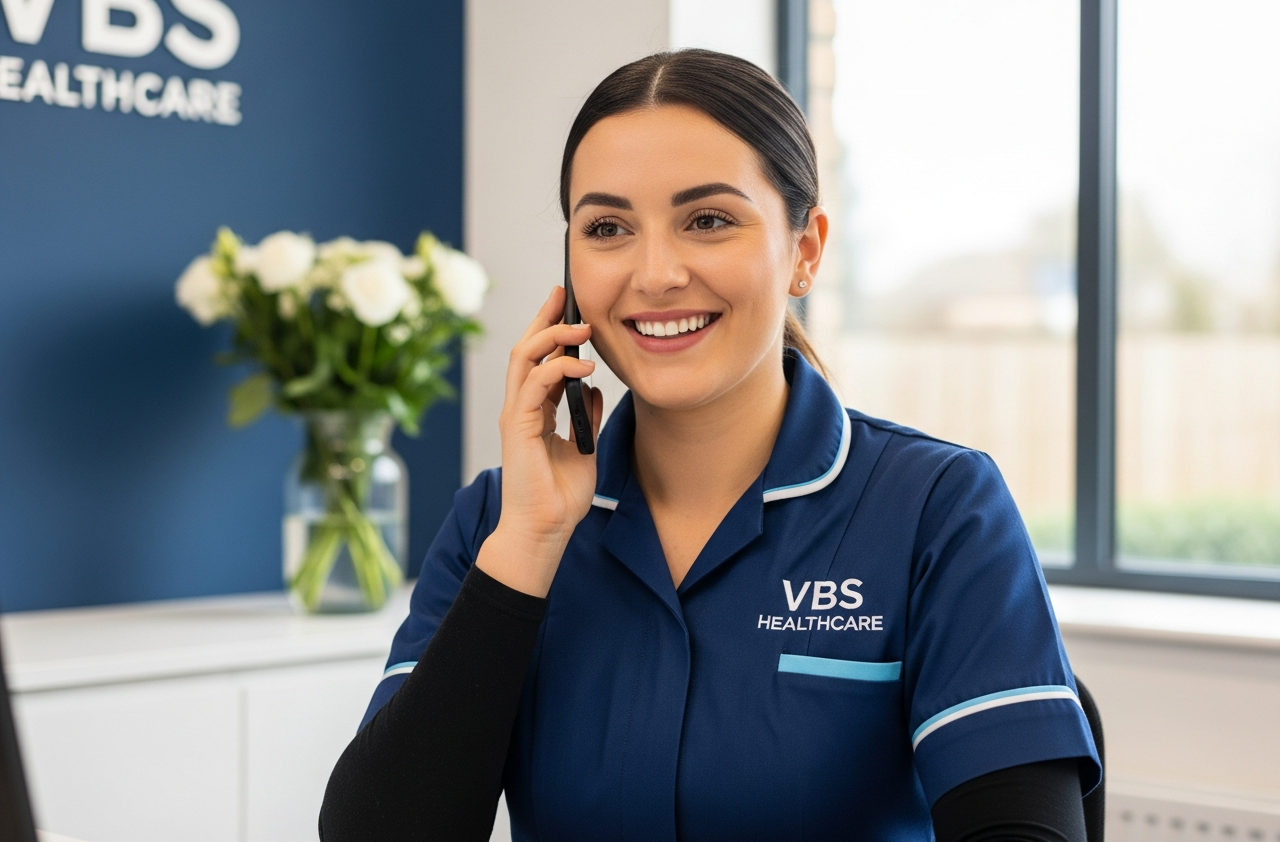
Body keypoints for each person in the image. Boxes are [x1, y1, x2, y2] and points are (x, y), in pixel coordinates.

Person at [319, 49, 1100, 842]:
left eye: (708, 221)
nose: (656, 274)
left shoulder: (938, 509)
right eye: (608, 228)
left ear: (805, 249)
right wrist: (529, 542)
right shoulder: (498, 522)